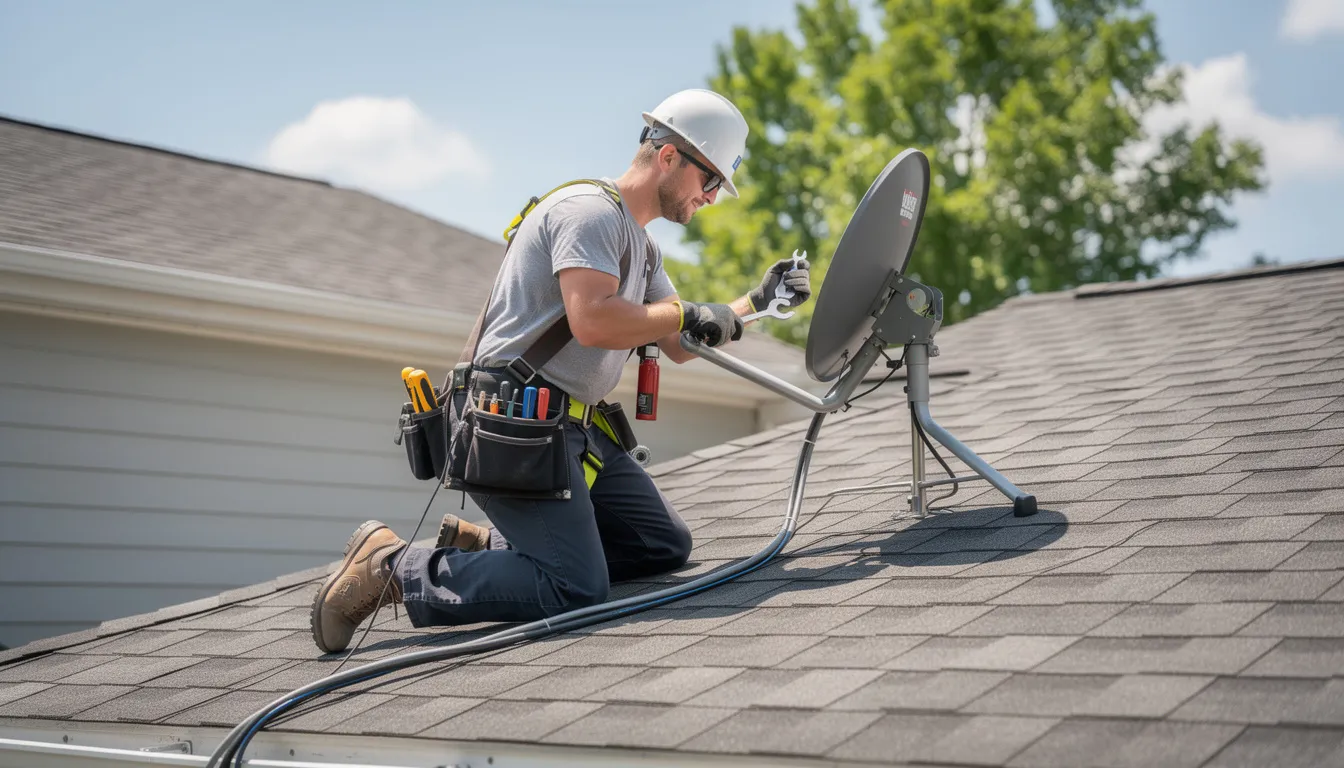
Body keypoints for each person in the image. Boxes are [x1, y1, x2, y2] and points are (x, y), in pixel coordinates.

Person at [311, 89, 812, 653]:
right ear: (669, 157)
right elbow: (594, 321)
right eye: (710, 180)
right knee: (575, 588)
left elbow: (677, 340)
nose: (713, 198)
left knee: (661, 544)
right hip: (511, 425)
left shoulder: (642, 248)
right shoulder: (589, 212)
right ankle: (392, 569)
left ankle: (490, 547)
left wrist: (754, 304)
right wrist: (690, 312)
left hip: (569, 430)